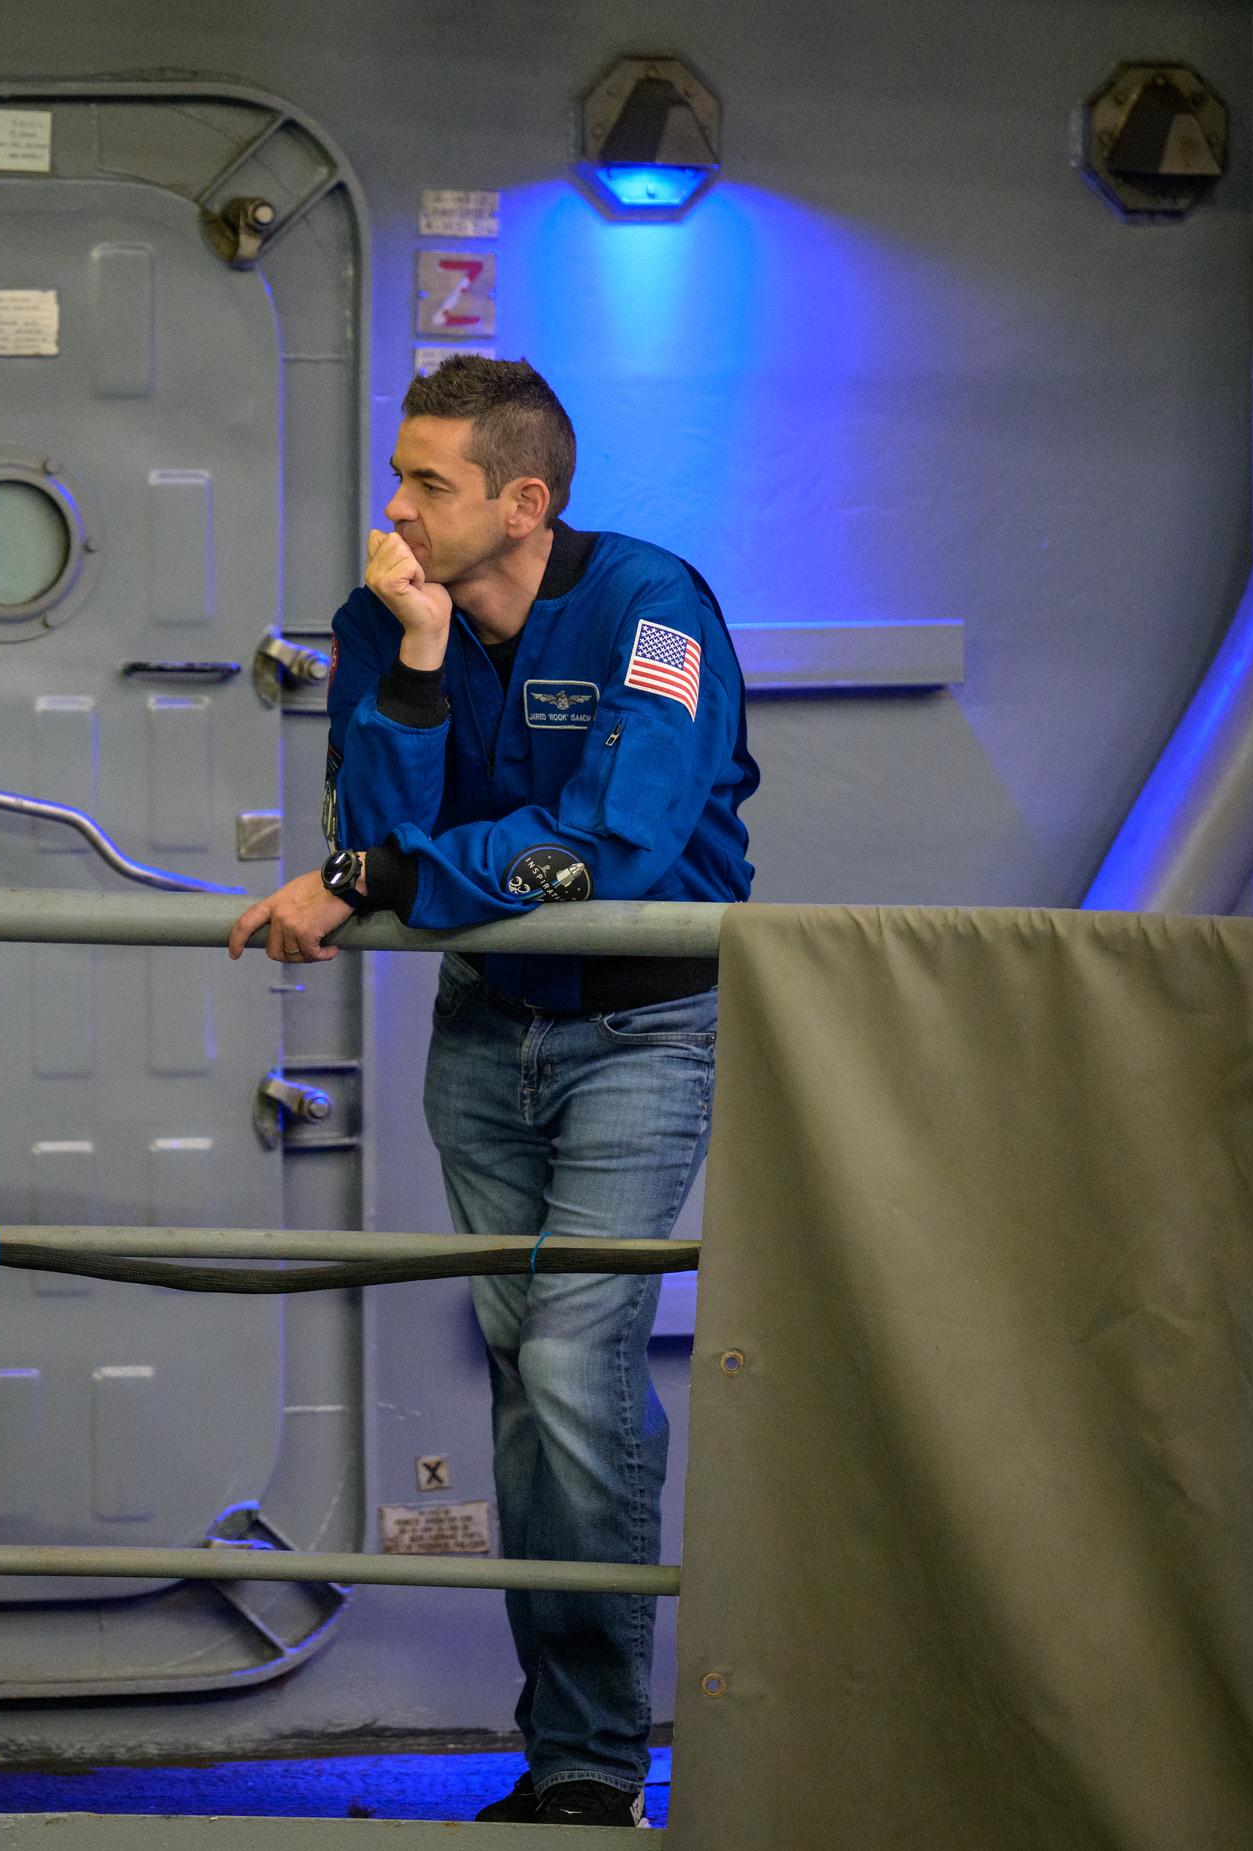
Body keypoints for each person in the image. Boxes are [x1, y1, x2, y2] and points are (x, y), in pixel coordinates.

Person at [229, 356, 759, 1829]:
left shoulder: (653, 609)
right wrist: (415, 656)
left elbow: (616, 842)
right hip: (482, 1038)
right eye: (397, 475)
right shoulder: (388, 610)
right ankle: (577, 1756)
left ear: (525, 503)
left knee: (578, 1368)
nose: (396, 508)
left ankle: (595, 1768)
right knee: (537, 1385)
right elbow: (366, 835)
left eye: (430, 483)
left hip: (645, 1033)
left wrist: (386, 873)